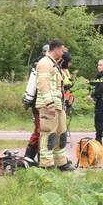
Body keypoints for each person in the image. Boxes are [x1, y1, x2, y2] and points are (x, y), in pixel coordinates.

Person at [35, 39, 73, 171]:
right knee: (48, 134)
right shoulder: (44, 63)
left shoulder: (54, 64)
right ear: (56, 49)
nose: (63, 53)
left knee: (61, 134)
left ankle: (61, 162)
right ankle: (46, 164)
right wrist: (49, 103)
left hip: (58, 104)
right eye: (62, 50)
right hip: (48, 105)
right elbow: (43, 84)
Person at [23, 44, 49, 164]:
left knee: (39, 130)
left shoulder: (51, 64)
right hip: (38, 102)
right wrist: (28, 99)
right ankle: (38, 158)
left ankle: (29, 157)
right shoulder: (38, 65)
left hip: (48, 102)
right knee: (40, 130)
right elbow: (32, 84)